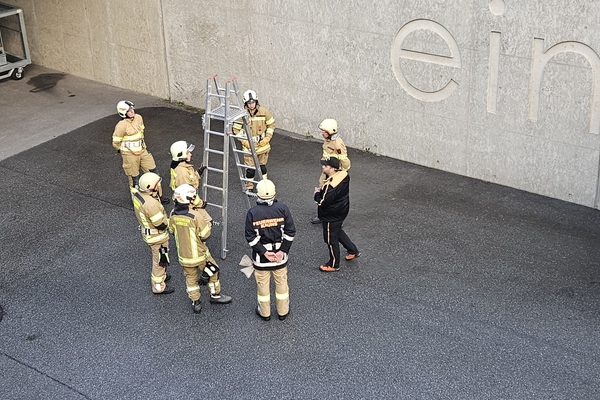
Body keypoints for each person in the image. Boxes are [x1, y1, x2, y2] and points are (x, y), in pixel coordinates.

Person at [169, 184, 232, 313]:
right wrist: (208, 224)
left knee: (190, 278)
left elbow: (171, 230)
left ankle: (195, 302)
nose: (194, 200)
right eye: (192, 198)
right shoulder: (195, 216)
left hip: (184, 256)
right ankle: (215, 295)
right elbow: (205, 235)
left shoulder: (172, 214)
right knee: (213, 270)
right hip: (199, 254)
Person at [245, 179, 296, 321]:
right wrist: (282, 251)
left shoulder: (252, 212)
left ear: (258, 194)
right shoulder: (283, 209)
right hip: (280, 257)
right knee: (281, 284)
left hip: (261, 260)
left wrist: (264, 252)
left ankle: (265, 313)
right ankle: (283, 312)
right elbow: (290, 232)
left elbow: (250, 237)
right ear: (274, 193)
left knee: (263, 286)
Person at [169, 140, 213, 285]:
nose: (191, 153)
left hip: (190, 203)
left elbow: (191, 181)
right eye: (188, 152)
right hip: (190, 206)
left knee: (204, 224)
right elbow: (186, 193)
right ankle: (201, 253)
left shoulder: (183, 167)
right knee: (205, 225)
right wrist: (201, 204)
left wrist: (198, 173)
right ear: (181, 155)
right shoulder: (181, 173)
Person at [112, 100, 169, 204]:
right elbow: (116, 142)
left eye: (132, 109)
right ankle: (137, 201)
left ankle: (158, 196)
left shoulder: (139, 118)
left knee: (153, 172)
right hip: (130, 155)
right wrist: (122, 151)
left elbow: (141, 132)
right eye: (129, 111)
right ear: (123, 112)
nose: (132, 111)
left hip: (143, 151)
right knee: (134, 179)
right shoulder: (121, 125)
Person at [313, 156, 360, 272]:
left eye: (326, 166)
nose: (323, 167)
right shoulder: (344, 174)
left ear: (333, 168)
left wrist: (316, 194)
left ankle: (334, 264)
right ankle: (352, 250)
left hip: (331, 215)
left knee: (330, 239)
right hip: (342, 210)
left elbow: (322, 202)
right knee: (337, 231)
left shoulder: (331, 186)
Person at [130, 172, 174, 294]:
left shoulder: (138, 195)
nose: (159, 186)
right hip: (157, 237)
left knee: (161, 258)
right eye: (157, 184)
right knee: (160, 260)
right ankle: (159, 286)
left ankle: (162, 276)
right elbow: (161, 224)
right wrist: (173, 224)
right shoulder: (151, 204)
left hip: (149, 234)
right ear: (150, 187)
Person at [232, 90, 276, 195]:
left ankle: (264, 186)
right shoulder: (242, 115)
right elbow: (236, 130)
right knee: (250, 170)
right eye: (249, 103)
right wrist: (244, 142)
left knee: (262, 167)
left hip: (262, 145)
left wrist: (267, 138)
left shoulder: (264, 111)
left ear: (256, 101)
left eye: (253, 102)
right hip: (248, 146)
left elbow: (271, 125)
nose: (251, 105)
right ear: (246, 103)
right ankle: (249, 187)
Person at [311, 118, 351, 224]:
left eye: (324, 132)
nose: (322, 133)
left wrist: (342, 174)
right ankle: (322, 216)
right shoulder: (328, 141)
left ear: (329, 132)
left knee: (333, 196)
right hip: (327, 170)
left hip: (334, 173)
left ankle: (336, 221)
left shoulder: (338, 144)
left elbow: (344, 161)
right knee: (322, 189)